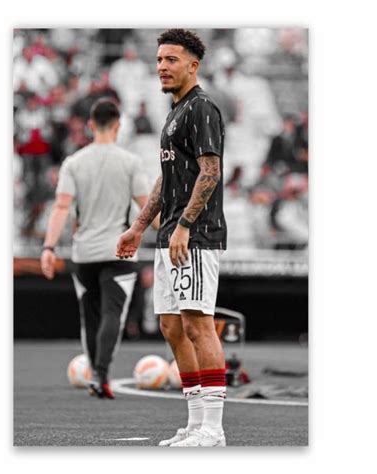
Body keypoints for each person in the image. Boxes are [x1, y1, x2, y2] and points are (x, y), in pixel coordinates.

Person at [116, 29, 228, 447]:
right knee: (171, 326)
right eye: (160, 59)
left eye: (171, 60)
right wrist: (139, 226)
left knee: (198, 324)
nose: (162, 66)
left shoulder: (202, 108)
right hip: (169, 235)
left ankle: (213, 429)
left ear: (193, 66)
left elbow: (210, 172)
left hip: (194, 236)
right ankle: (195, 424)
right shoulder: (175, 111)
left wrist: (184, 225)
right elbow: (167, 178)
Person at [40, 99, 150, 399]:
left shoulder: (74, 162)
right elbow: (147, 207)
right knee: (112, 313)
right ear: (118, 125)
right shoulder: (130, 162)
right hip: (120, 250)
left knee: (89, 315)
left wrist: (48, 247)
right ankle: (101, 374)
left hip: (85, 252)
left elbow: (61, 207)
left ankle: (94, 373)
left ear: (90, 125)